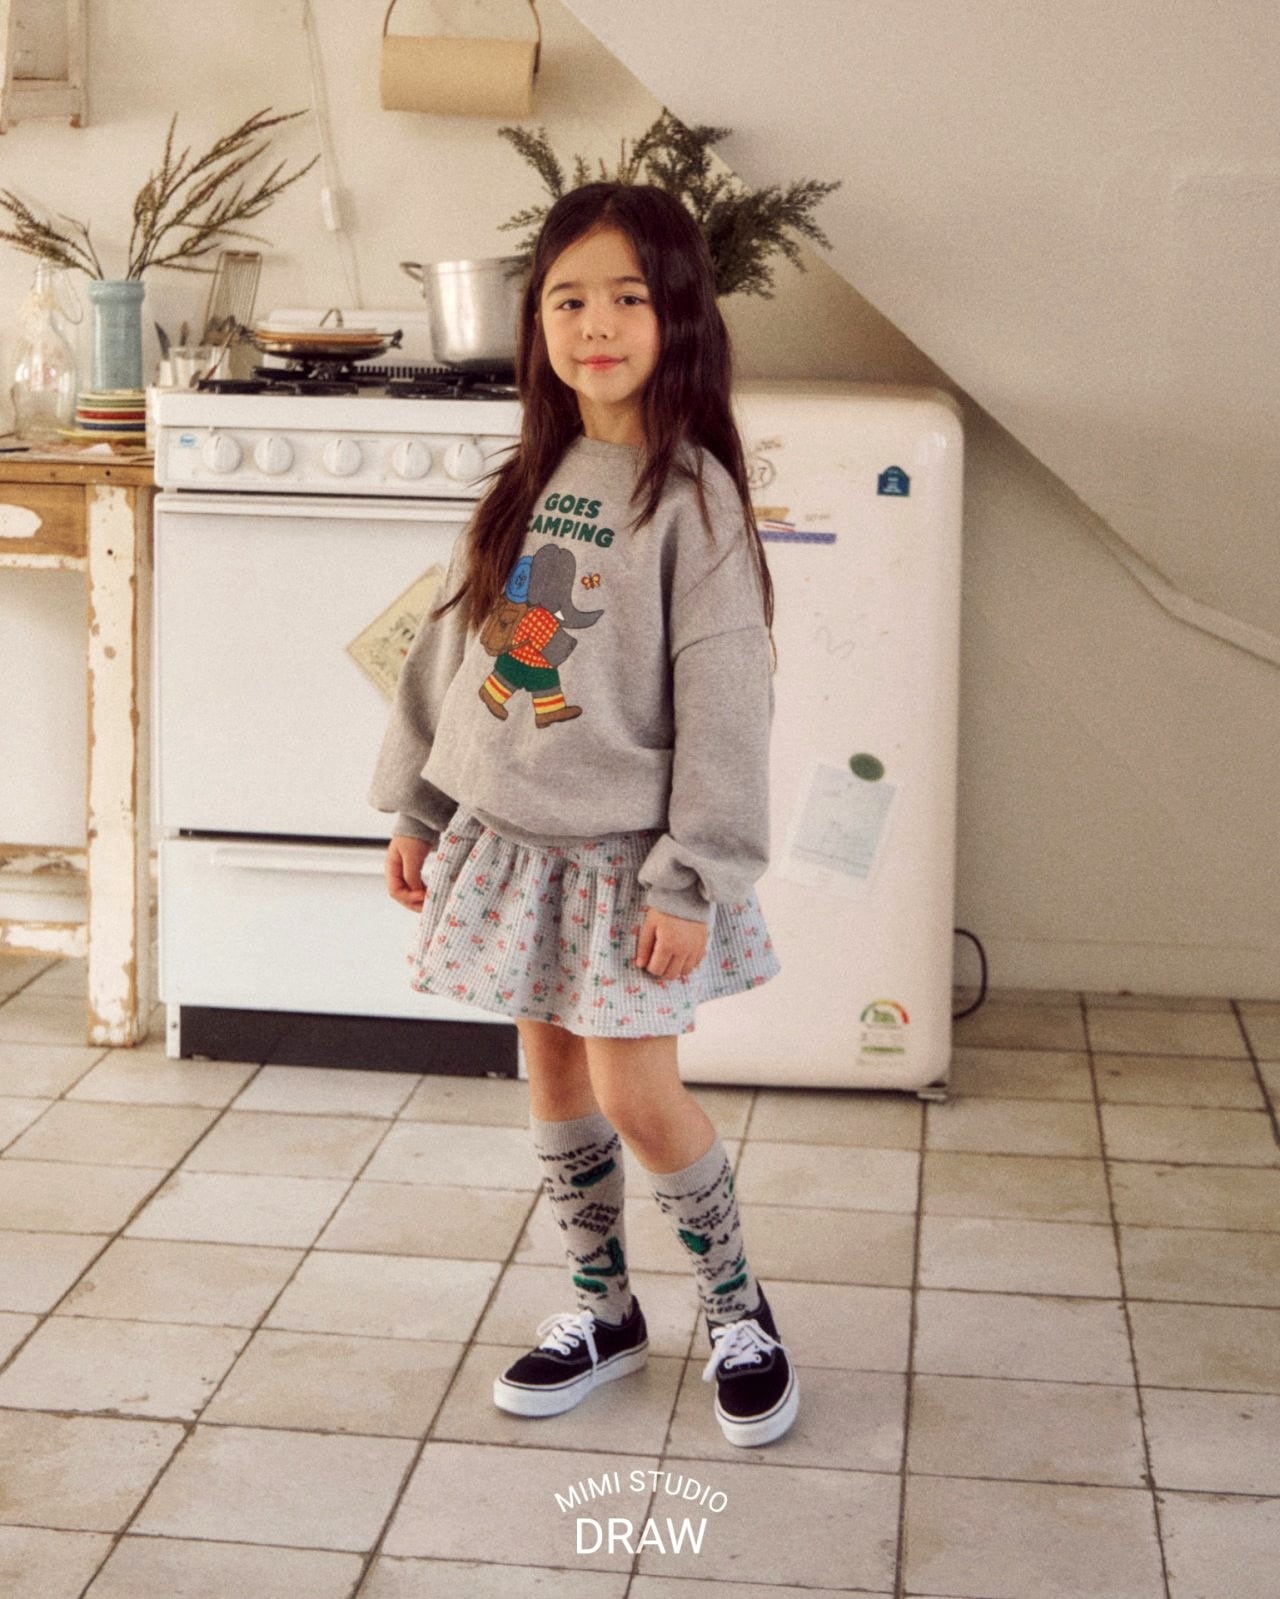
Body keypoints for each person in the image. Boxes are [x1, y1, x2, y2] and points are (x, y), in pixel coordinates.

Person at [369, 181, 797, 1448]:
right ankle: (602, 1307)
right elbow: (454, 653)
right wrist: (418, 803)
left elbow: (728, 705)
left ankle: (738, 1311)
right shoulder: (529, 476)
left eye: (626, 297)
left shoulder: (693, 502)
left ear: (679, 317)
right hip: (513, 845)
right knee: (551, 1072)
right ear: (535, 323)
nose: (595, 323)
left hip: (628, 860)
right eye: (567, 300)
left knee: (636, 1094)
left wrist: (692, 876)